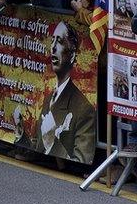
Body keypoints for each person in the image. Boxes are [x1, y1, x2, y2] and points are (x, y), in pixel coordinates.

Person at [14, 22, 97, 163]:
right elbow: (39, 146)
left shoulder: (84, 108)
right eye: (52, 40)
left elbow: (82, 159)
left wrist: (53, 141)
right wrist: (21, 133)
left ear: (72, 55)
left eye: (59, 42)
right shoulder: (49, 98)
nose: (52, 47)